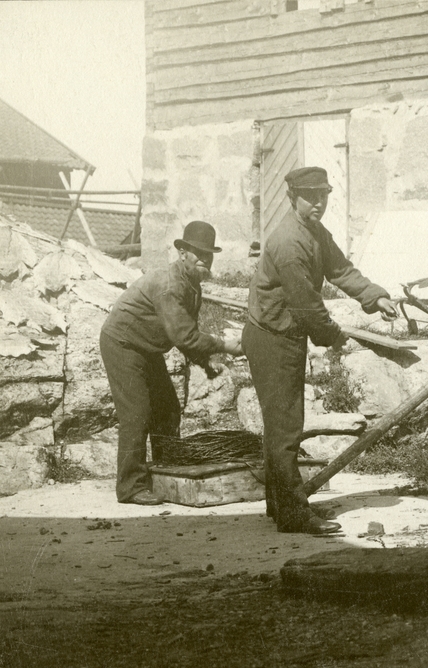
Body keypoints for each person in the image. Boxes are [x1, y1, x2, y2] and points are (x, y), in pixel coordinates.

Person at [244, 167, 400, 536]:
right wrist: (334, 336)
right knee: (285, 428)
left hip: (283, 332)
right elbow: (307, 306)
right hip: (271, 337)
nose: (318, 203)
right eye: (309, 196)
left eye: (323, 195)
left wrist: (374, 296)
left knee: (281, 426)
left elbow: (340, 269)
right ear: (292, 197)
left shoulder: (314, 231)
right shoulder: (289, 242)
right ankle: (293, 514)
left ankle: (280, 505)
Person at [100, 221, 242, 505]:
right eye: (198, 253)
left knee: (167, 409)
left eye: (209, 254)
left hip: (147, 347)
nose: (204, 259)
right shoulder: (170, 285)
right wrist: (226, 346)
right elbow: (184, 336)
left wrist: (205, 363)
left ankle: (164, 475)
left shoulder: (192, 284)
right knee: (137, 413)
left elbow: (183, 334)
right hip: (123, 344)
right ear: (182, 253)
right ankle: (130, 487)